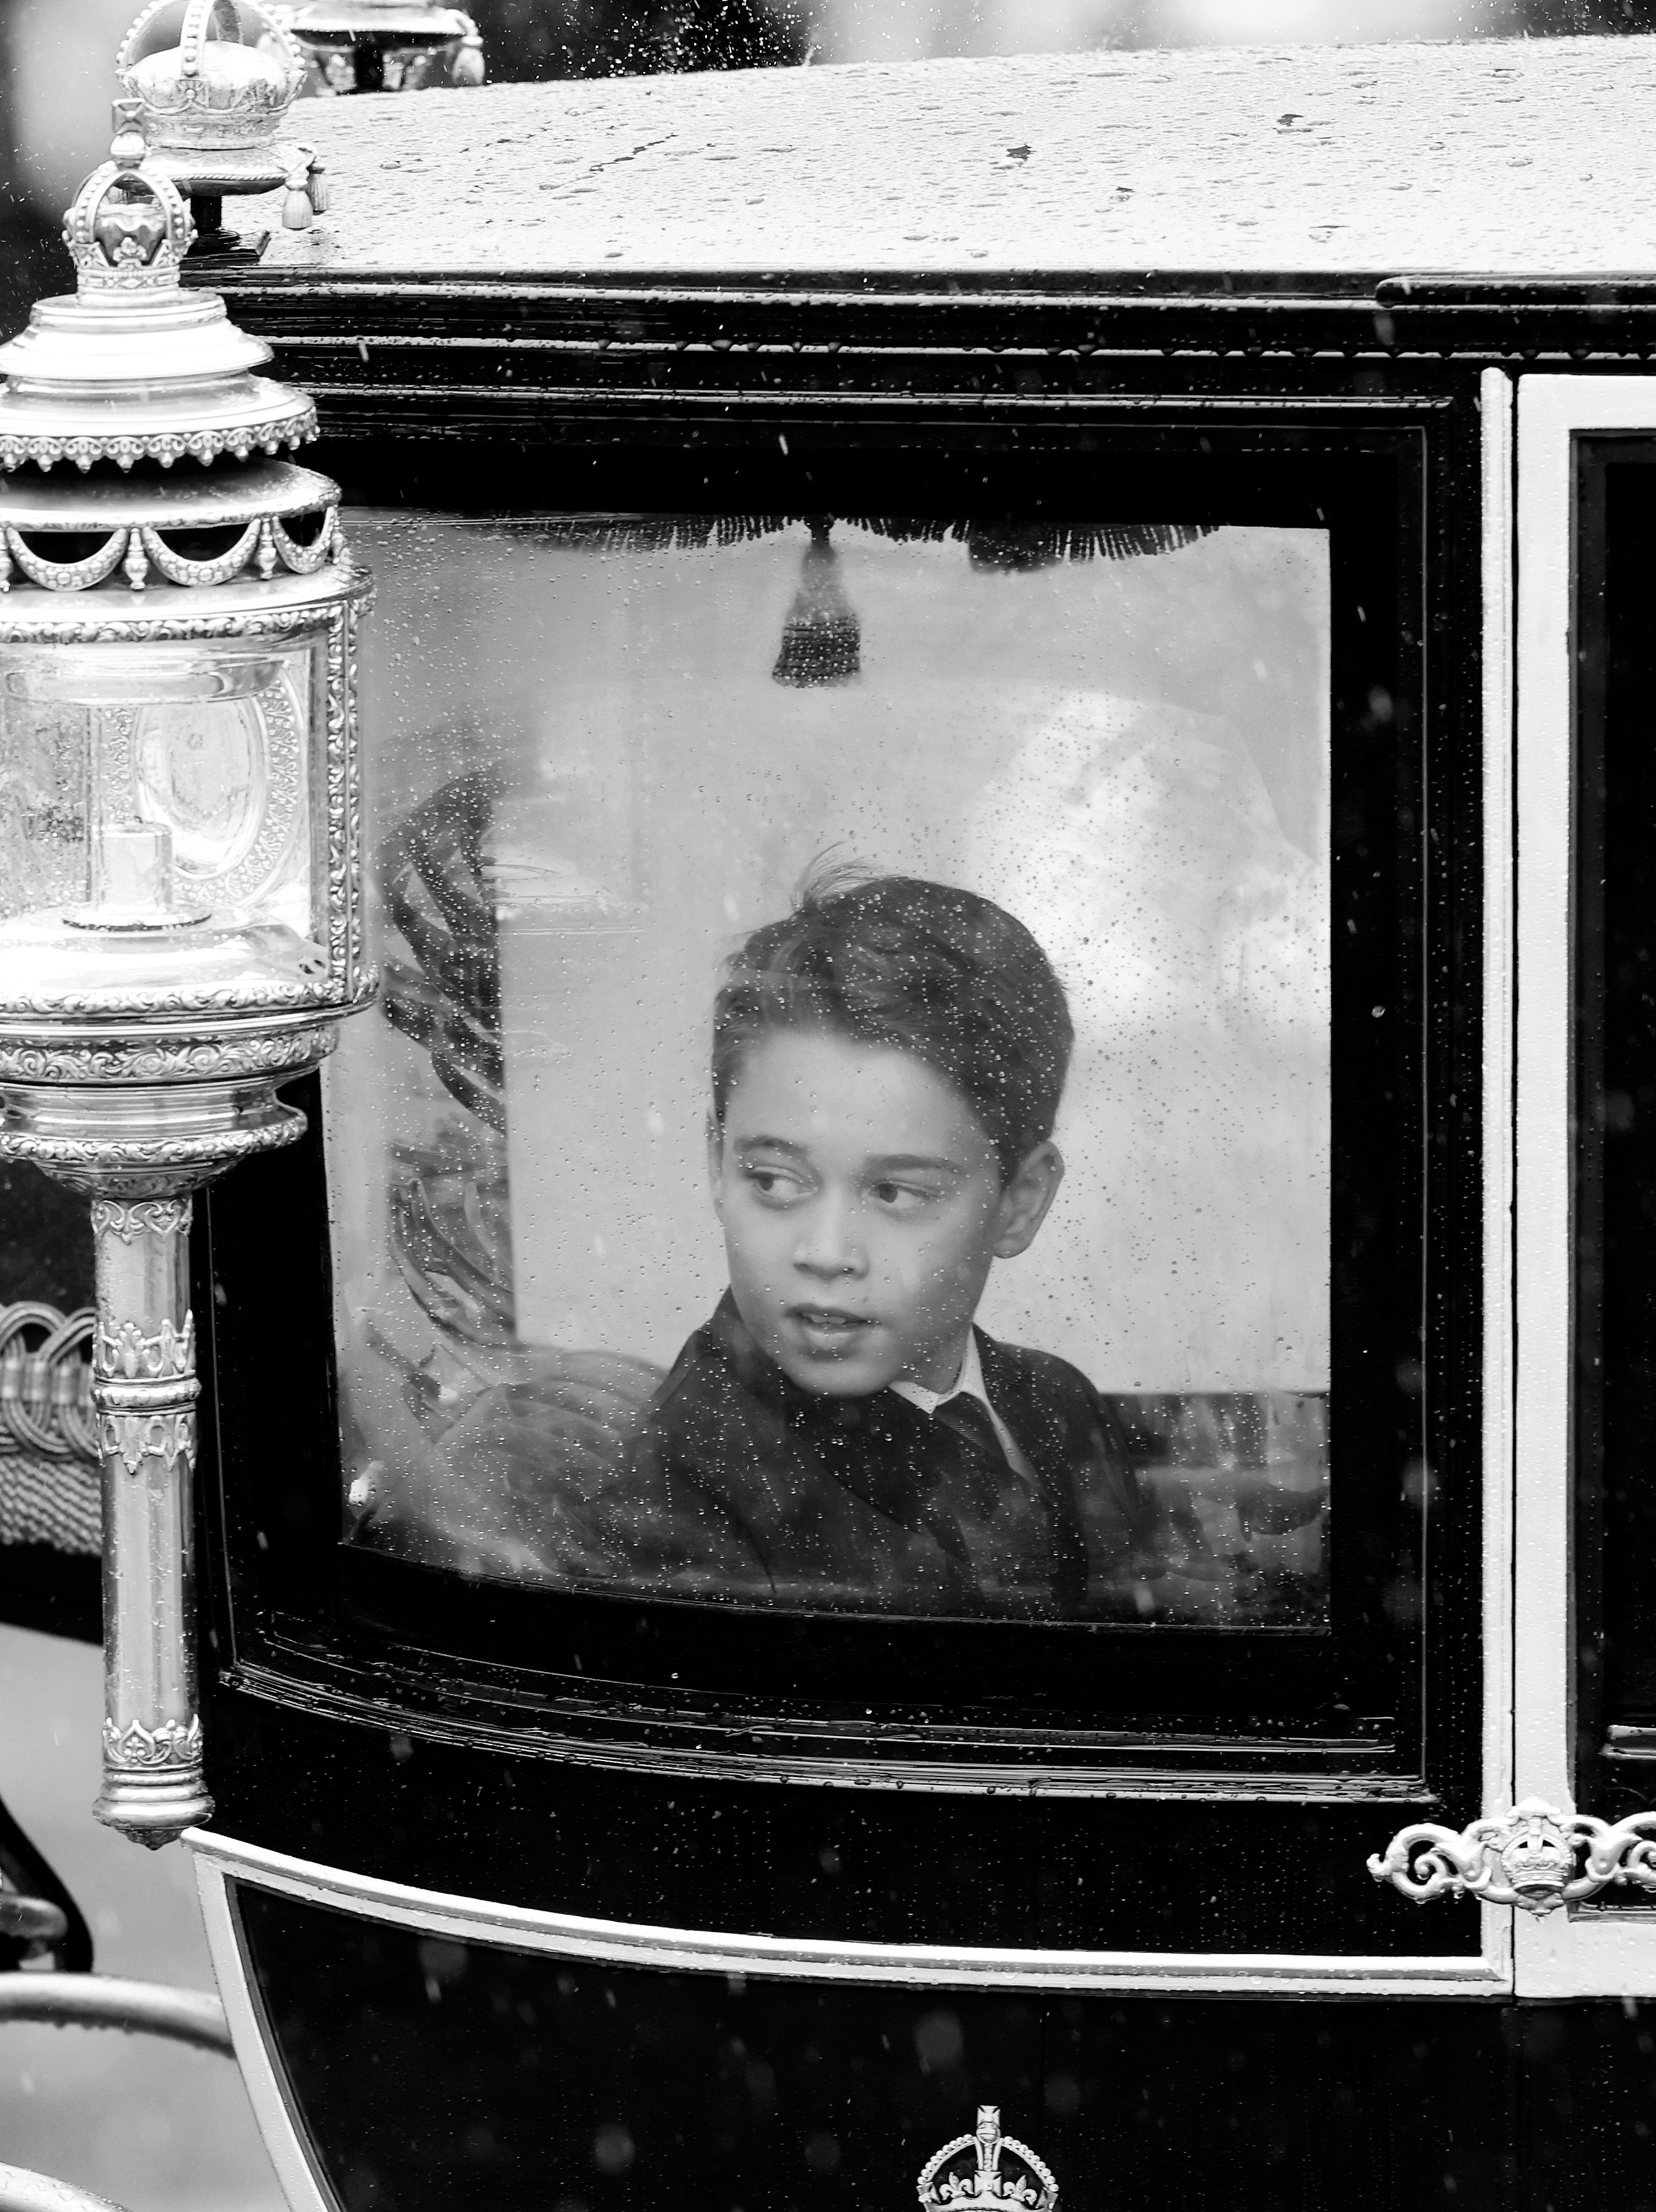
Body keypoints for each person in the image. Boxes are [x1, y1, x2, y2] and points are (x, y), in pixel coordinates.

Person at [574, 867, 1166, 1619]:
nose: (826, 1253)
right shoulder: (675, 1509)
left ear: (1018, 1203)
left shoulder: (1057, 1403)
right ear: (716, 1164)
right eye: (775, 1180)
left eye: (893, 1193)